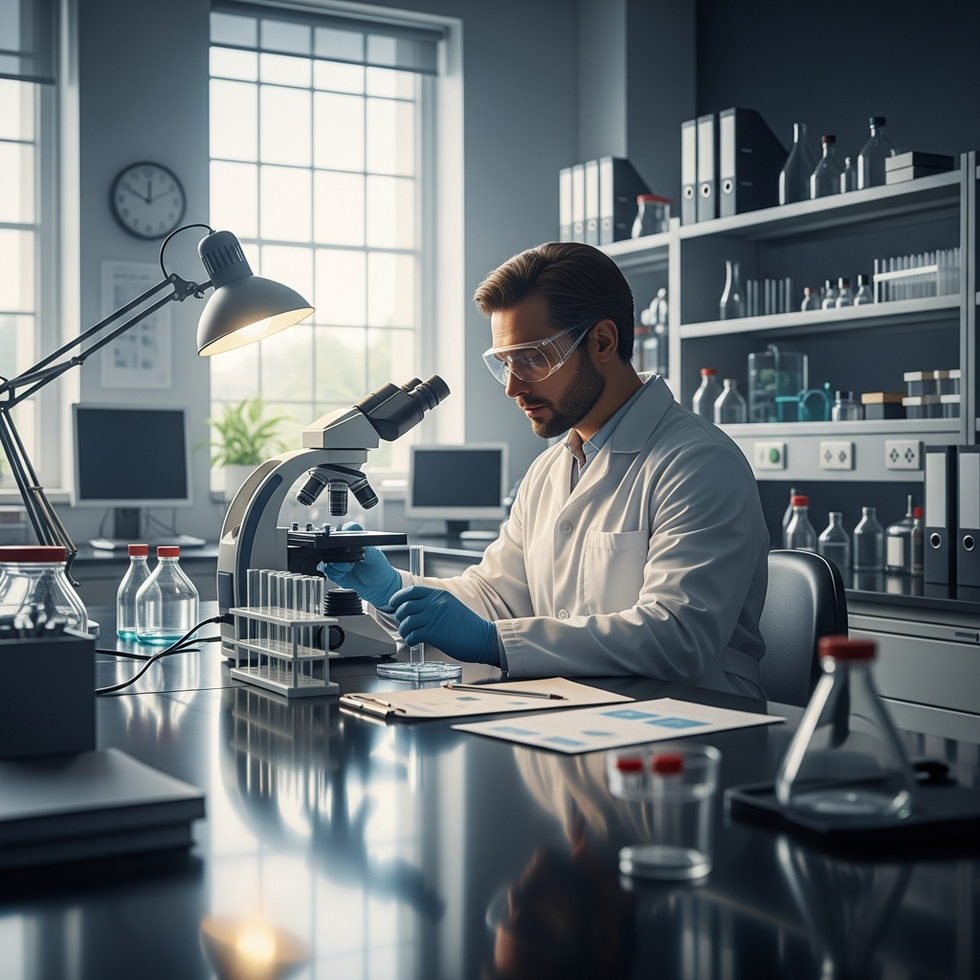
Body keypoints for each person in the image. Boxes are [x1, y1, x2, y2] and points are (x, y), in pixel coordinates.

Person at [326, 242, 769, 696]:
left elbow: (678, 637)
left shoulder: (697, 462)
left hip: (696, 729)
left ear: (602, 341)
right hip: (573, 715)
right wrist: (392, 590)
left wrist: (493, 642)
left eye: (532, 357)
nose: (513, 387)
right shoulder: (548, 471)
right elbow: (495, 599)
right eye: (505, 363)